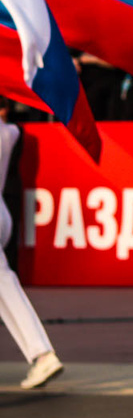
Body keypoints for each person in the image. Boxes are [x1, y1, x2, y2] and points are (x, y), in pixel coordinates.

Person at [0, 97, 63, 390]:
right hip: (3, 214)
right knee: (5, 284)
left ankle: (42, 354)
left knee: (5, 285)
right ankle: (41, 354)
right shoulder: (10, 132)